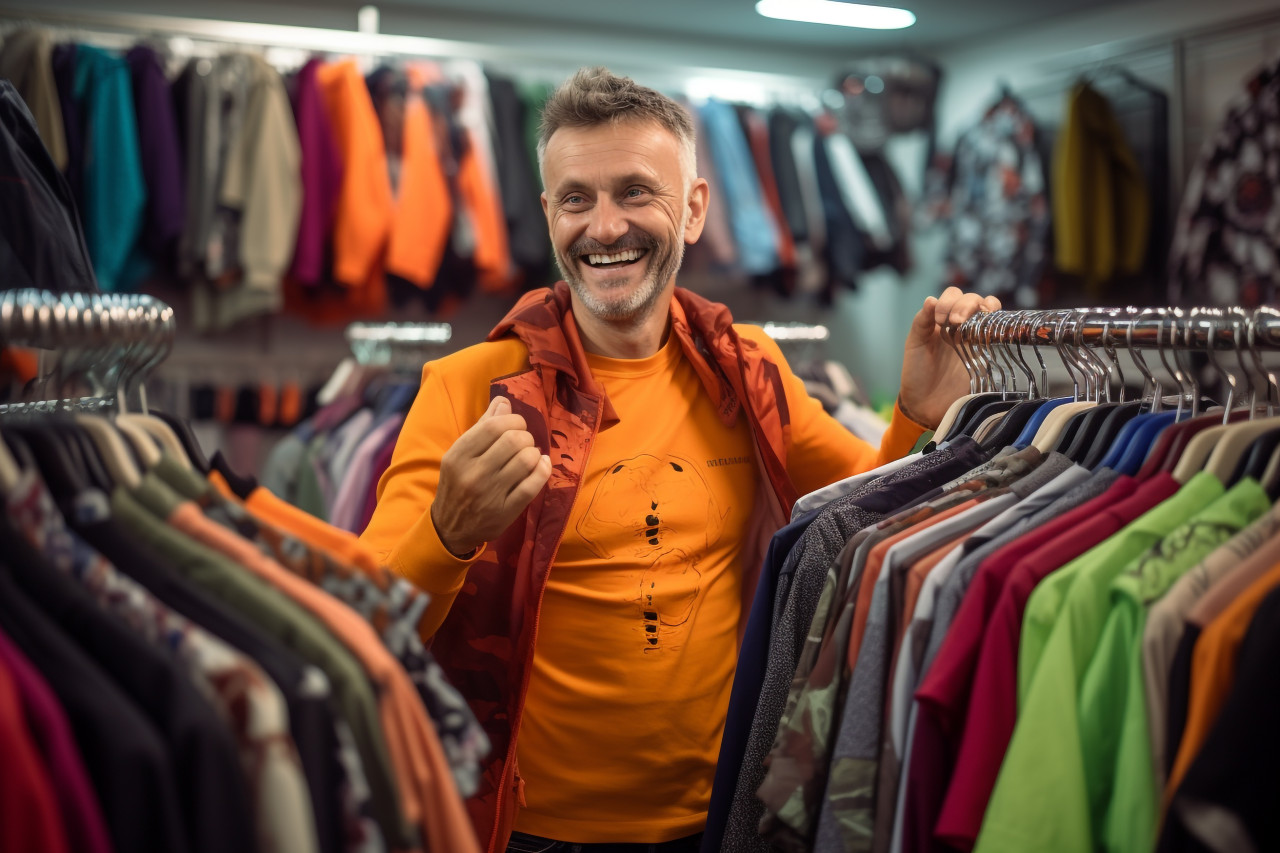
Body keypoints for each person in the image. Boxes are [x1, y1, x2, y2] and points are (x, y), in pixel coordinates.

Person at [359, 66, 1000, 853]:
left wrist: (919, 416)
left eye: (635, 192)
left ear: (694, 209)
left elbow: (864, 521)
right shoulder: (467, 391)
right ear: (549, 214)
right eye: (575, 198)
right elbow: (360, 628)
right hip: (523, 832)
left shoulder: (749, 371)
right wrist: (447, 535)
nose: (603, 227)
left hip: (724, 819)